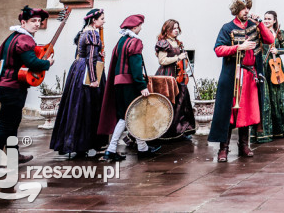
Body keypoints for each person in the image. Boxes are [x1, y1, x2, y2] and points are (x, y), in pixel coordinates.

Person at [0, 5, 53, 167]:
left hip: (7, 86)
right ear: (23, 22)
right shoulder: (24, 39)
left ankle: (14, 156)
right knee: (6, 126)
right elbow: (32, 62)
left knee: (13, 123)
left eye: (39, 21)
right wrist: (47, 63)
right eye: (33, 21)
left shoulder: (14, 37)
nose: (37, 24)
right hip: (12, 88)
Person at [209, 0, 275, 162]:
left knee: (246, 112)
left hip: (250, 75)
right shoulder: (227, 28)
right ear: (236, 10)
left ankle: (244, 146)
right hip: (233, 76)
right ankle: (223, 149)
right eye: (243, 8)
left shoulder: (254, 25)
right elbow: (218, 49)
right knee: (229, 112)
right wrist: (240, 47)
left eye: (248, 8)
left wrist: (260, 23)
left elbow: (269, 39)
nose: (246, 11)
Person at [97, 14, 159, 161]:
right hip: (130, 84)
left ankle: (142, 148)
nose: (141, 28)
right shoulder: (135, 42)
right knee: (128, 116)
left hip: (118, 83)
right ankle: (111, 150)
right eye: (139, 26)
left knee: (129, 116)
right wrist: (141, 86)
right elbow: (136, 67)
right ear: (134, 27)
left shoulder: (121, 41)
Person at [50, 8, 105, 158]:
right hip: (87, 72)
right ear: (94, 20)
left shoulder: (83, 32)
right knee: (88, 108)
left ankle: (74, 143)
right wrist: (93, 79)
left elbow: (82, 54)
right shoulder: (93, 34)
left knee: (76, 107)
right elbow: (91, 59)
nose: (103, 21)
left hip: (78, 69)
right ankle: (84, 143)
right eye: (101, 19)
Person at [254, 10, 284, 143]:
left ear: (274, 21)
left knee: (279, 96)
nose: (266, 21)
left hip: (276, 67)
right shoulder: (260, 33)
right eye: (265, 18)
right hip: (264, 66)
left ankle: (280, 129)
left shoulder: (279, 34)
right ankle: (265, 132)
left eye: (269, 19)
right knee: (266, 97)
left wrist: (277, 51)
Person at [154, 19, 196, 140]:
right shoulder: (163, 43)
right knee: (170, 103)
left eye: (177, 27)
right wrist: (178, 57)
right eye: (173, 28)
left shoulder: (177, 42)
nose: (176, 30)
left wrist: (185, 61)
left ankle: (180, 131)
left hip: (179, 76)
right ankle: (166, 132)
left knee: (182, 102)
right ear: (167, 30)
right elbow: (162, 61)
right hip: (168, 76)